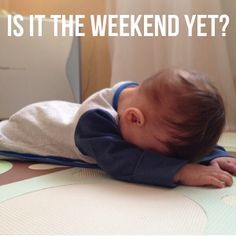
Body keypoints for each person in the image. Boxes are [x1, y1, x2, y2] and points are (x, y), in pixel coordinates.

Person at [0, 68, 235, 188]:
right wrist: (181, 172)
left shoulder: (138, 97)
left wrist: (213, 154)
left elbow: (180, 133)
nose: (171, 159)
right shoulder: (93, 123)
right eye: (163, 155)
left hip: (60, 109)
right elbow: (123, 160)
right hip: (29, 126)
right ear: (134, 119)